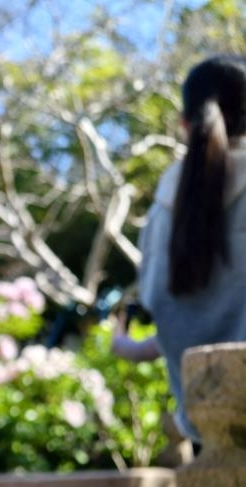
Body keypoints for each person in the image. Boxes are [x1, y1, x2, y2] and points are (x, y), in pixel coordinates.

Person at [112, 54, 246, 446]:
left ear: (185, 123)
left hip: (209, 438)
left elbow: (175, 319)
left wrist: (124, 343)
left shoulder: (162, 214)